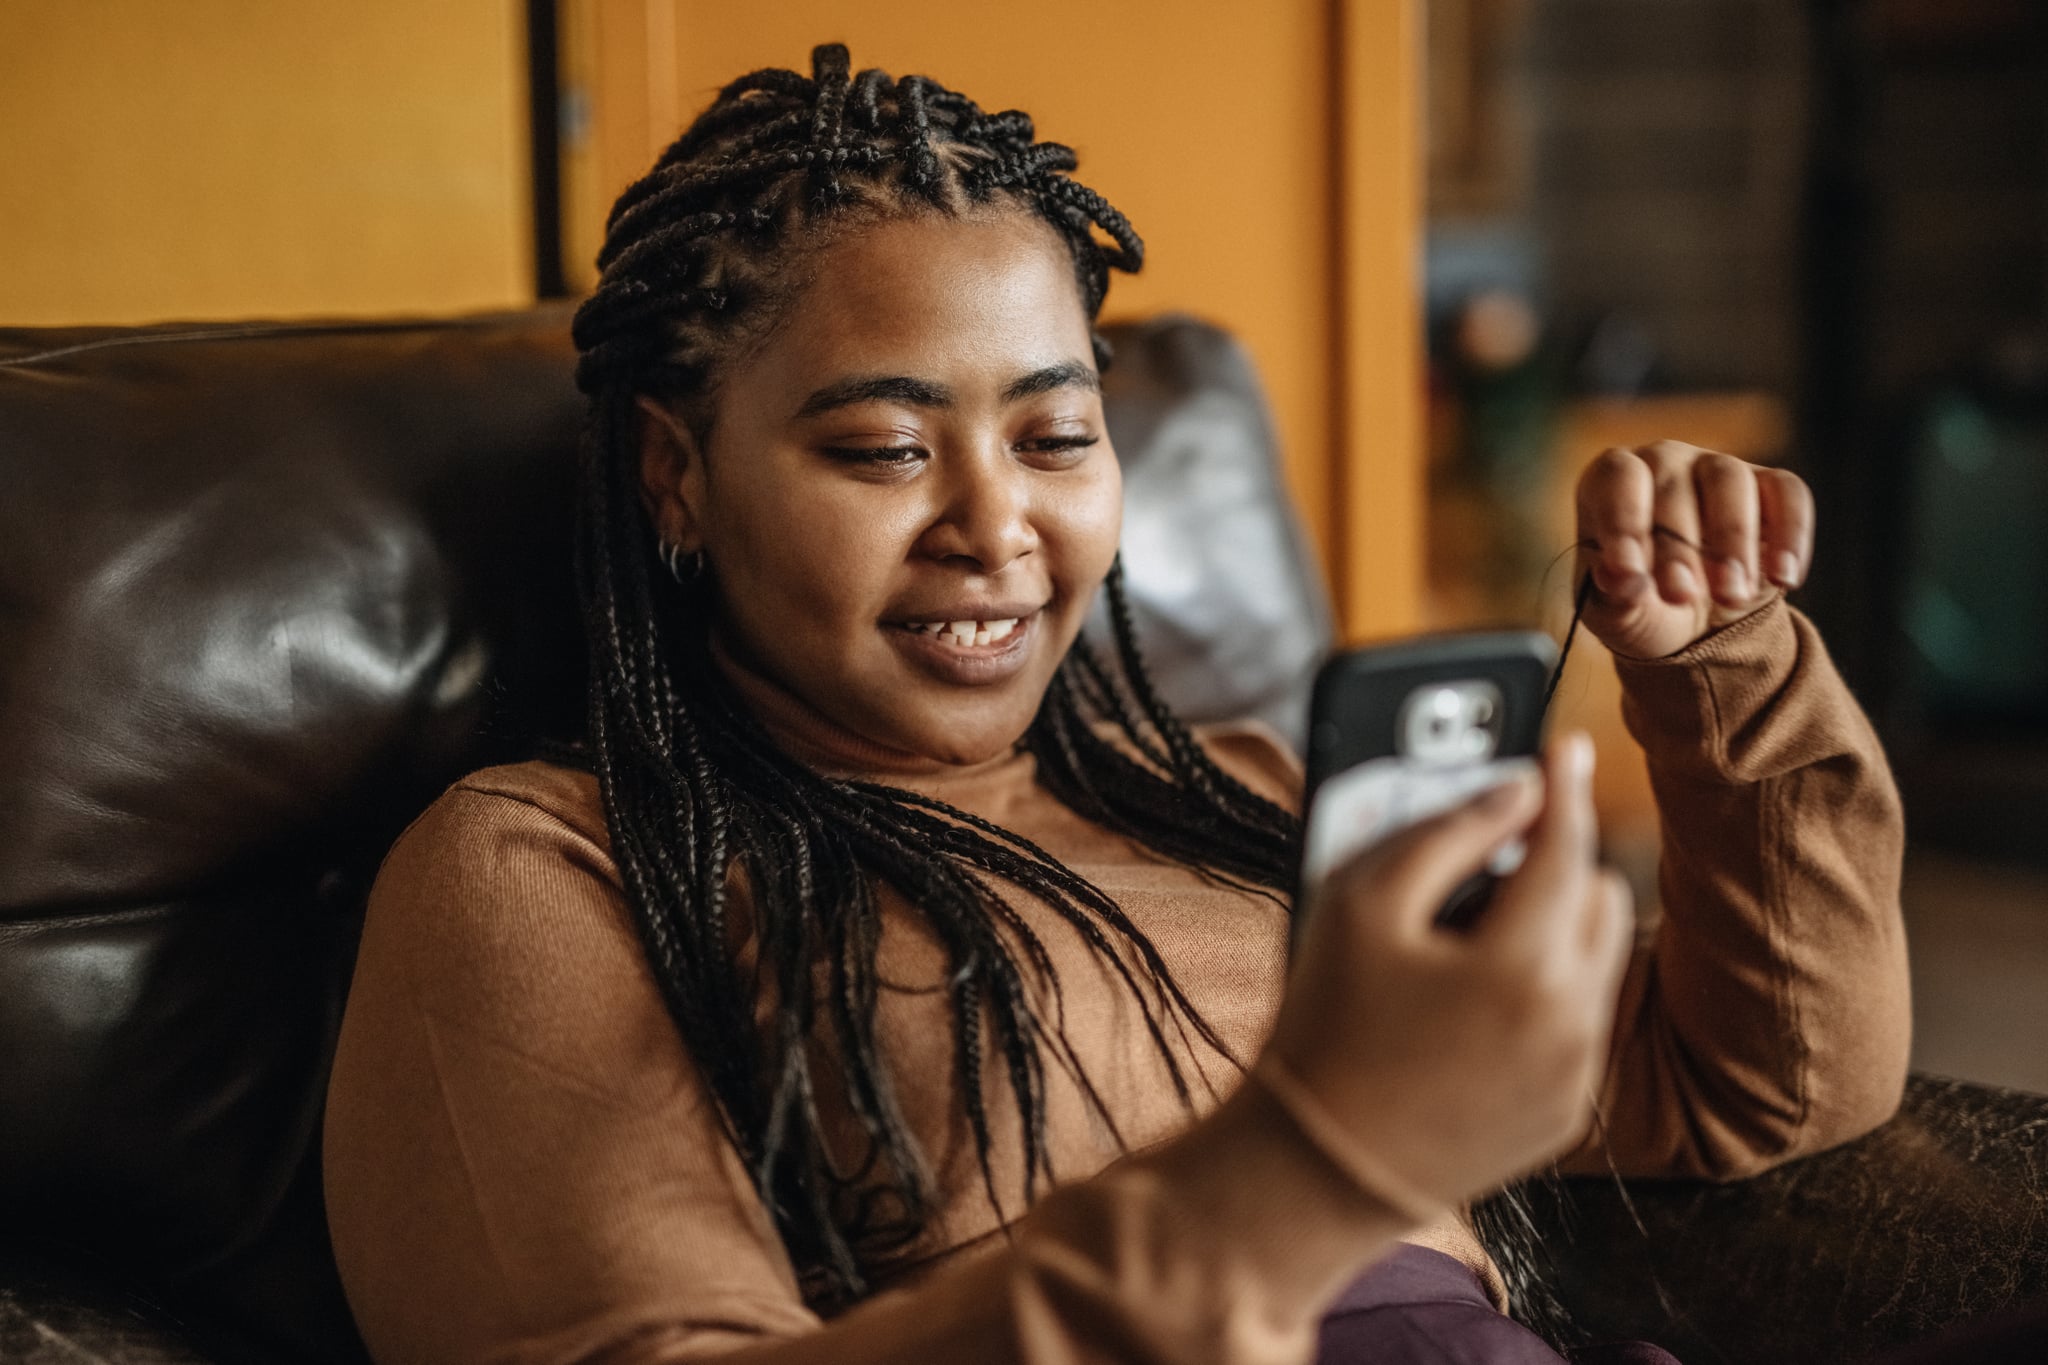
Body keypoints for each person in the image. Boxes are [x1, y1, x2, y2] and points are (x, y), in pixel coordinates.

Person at [321, 44, 1910, 1365]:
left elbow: (1771, 1074)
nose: (996, 525)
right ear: (679, 475)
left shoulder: (1235, 792)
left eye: (1057, 435)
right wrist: (1318, 1158)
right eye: (885, 448)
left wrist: (1722, 664)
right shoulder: (558, 875)